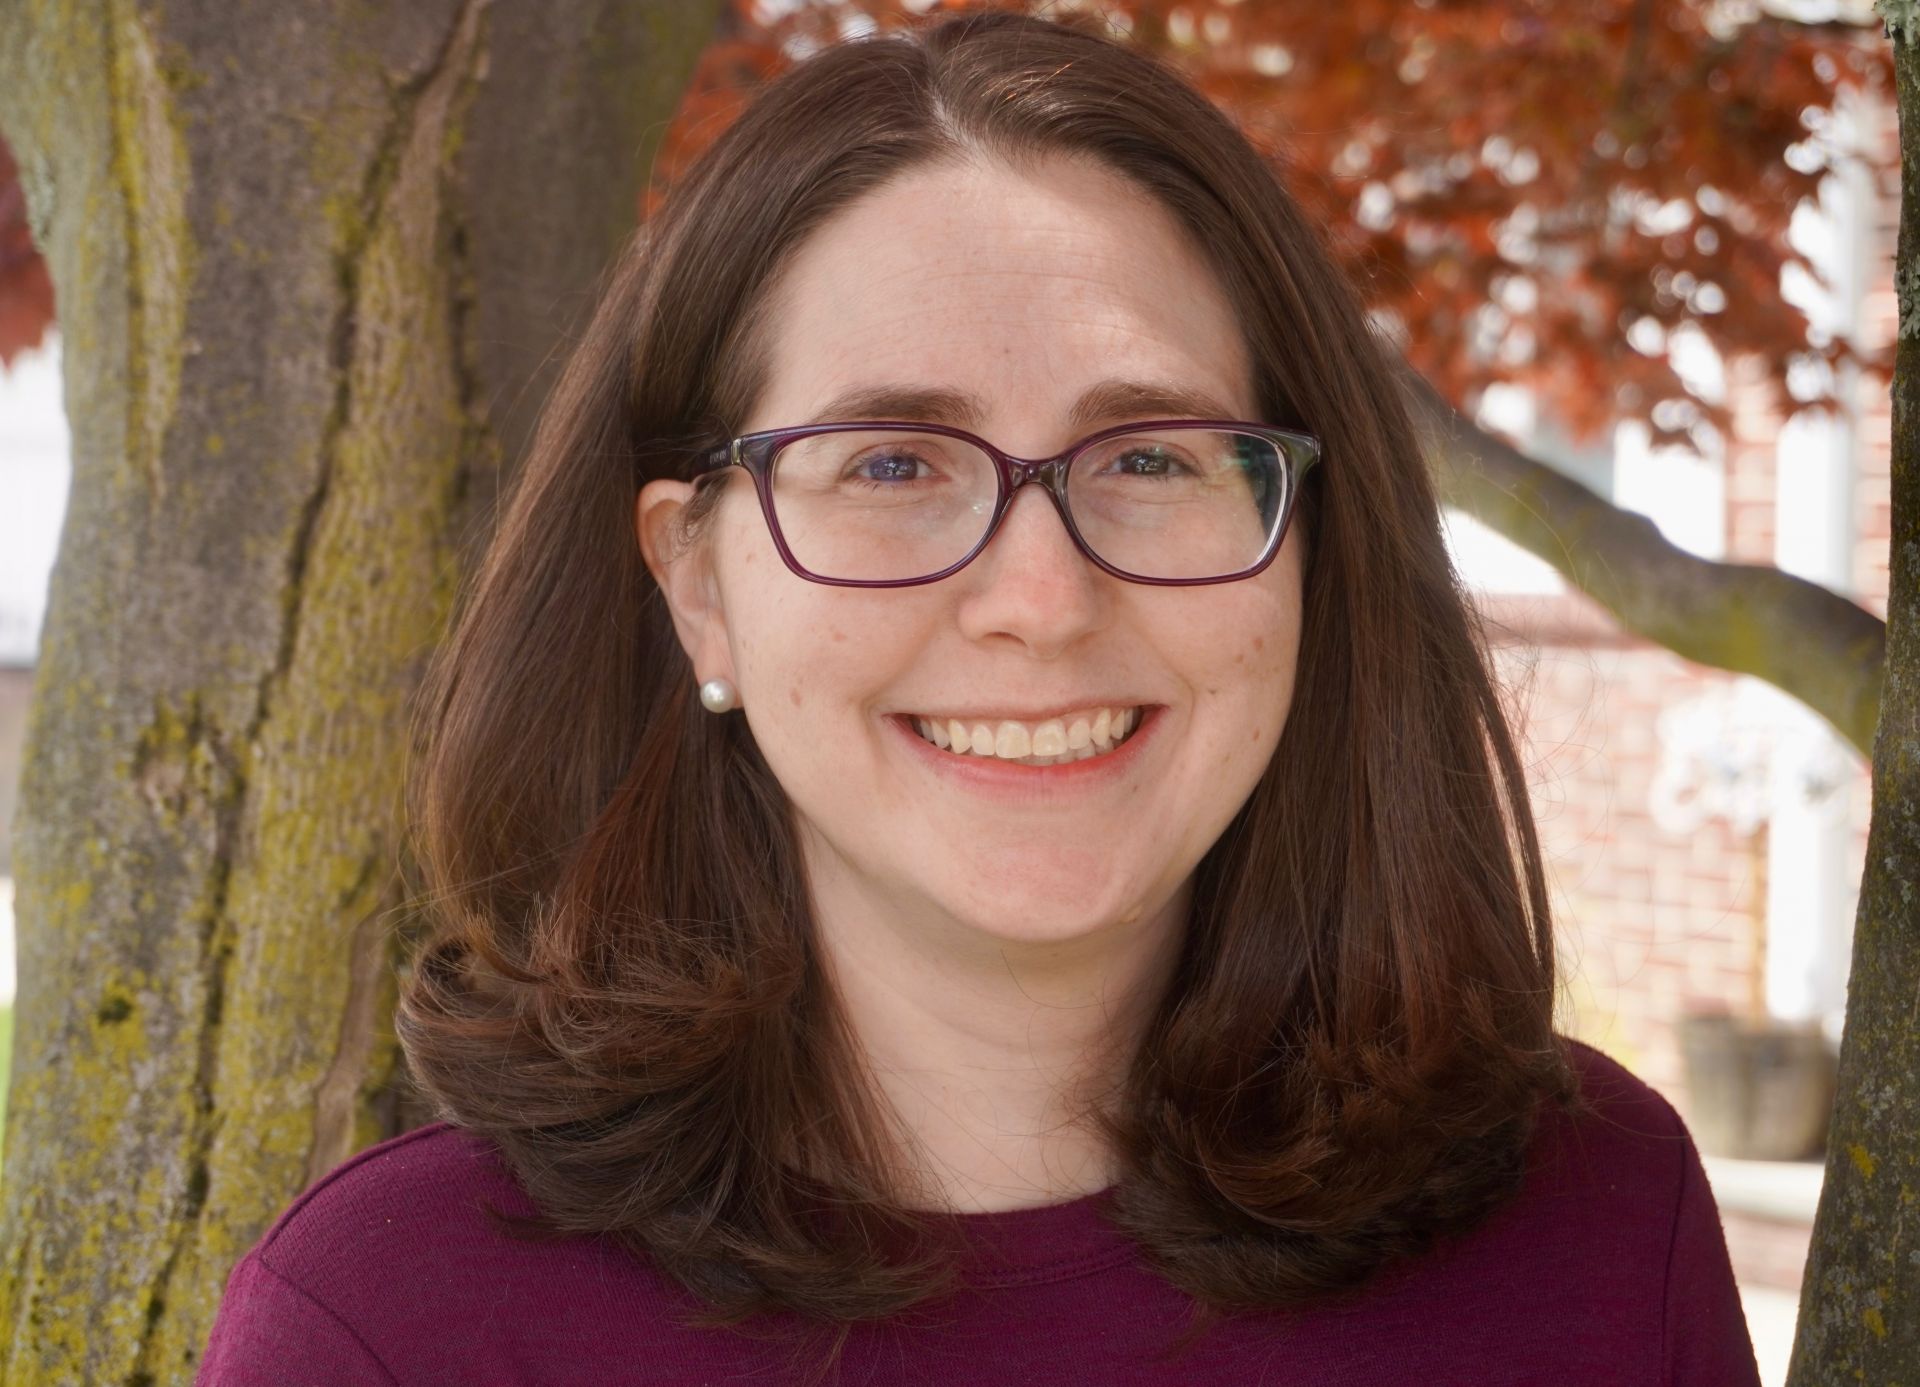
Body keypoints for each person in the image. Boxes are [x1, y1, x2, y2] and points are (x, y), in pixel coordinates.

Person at [197, 10, 1762, 1384]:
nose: (1039, 601)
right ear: (694, 582)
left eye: (1148, 458)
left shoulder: (1596, 1231)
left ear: (1309, 551)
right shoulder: (396, 1328)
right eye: (891, 464)